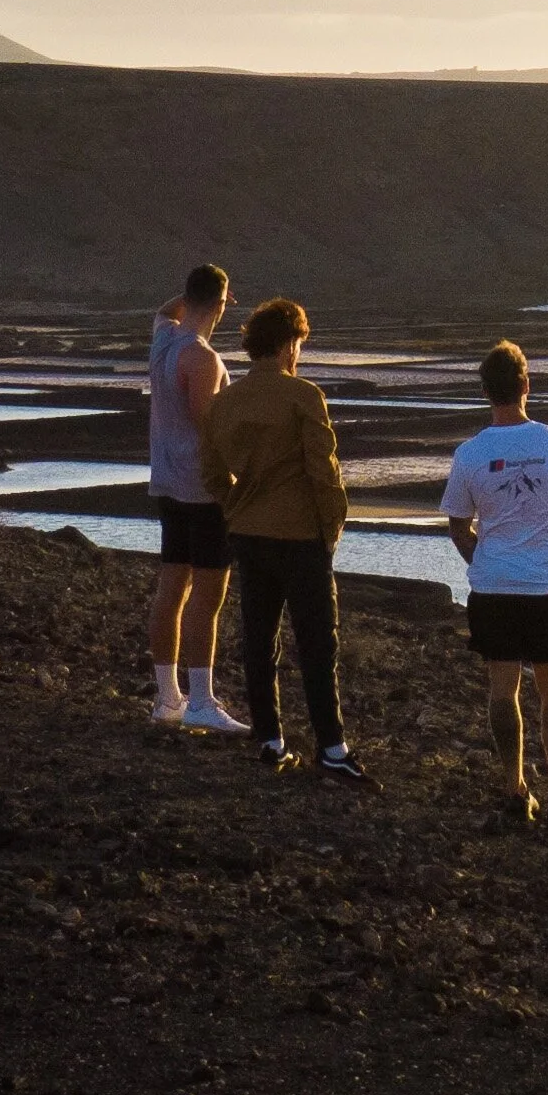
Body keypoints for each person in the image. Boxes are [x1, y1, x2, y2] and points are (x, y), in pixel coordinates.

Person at [199, 296, 367, 784]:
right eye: (299, 344)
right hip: (300, 536)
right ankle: (331, 746)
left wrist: (236, 509)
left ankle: (270, 739)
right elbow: (325, 472)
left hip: (248, 533)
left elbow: (211, 473)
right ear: (289, 343)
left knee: (258, 637)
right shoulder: (303, 396)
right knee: (318, 643)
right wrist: (332, 526)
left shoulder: (224, 403)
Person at [442, 339, 548, 837]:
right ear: (526, 385)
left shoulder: (471, 453)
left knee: (502, 690)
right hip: (545, 591)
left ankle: (515, 788)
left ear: (486, 392)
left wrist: (484, 561)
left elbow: (457, 525)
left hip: (493, 591)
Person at [145, 264, 251, 733]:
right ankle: (202, 700)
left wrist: (194, 294)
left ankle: (169, 696)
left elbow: (166, 308)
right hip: (203, 490)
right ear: (223, 302)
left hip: (168, 484)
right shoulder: (201, 357)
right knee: (207, 596)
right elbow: (208, 424)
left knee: (172, 590)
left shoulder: (164, 336)